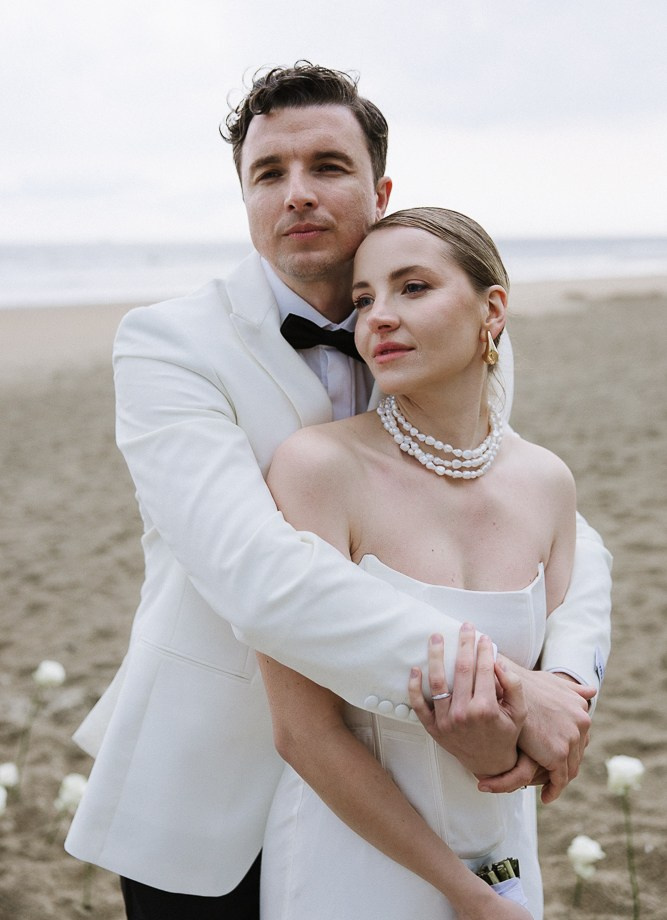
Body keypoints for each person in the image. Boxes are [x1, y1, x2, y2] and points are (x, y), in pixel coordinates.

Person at [65, 63, 611, 918]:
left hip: (399, 777)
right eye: (268, 174)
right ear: (243, 198)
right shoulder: (167, 345)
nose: (297, 194)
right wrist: (509, 684)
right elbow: (259, 576)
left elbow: (541, 511)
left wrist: (569, 686)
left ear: (378, 185)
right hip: (213, 784)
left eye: (326, 166)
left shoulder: (438, 328)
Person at [259, 206, 575, 919]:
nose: (378, 317)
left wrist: (501, 767)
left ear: (491, 309)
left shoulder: (547, 483)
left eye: (413, 288)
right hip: (354, 857)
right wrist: (463, 896)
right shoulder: (317, 468)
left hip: (502, 848)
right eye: (364, 299)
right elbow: (302, 731)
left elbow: (547, 721)